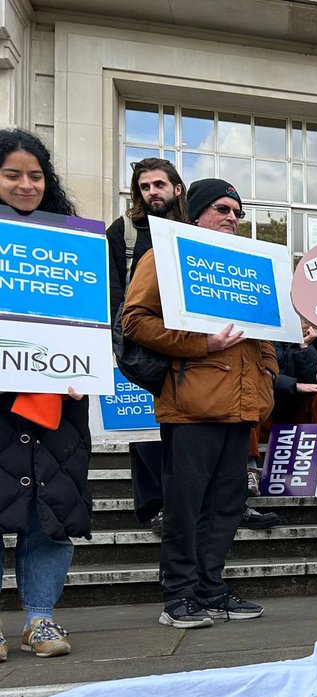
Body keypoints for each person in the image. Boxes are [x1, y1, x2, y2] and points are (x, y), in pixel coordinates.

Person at [122, 178, 277, 628]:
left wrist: (266, 370)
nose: (231, 217)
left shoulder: (249, 266)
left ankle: (211, 588)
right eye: (222, 208)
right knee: (186, 505)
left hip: (242, 405)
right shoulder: (164, 256)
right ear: (196, 214)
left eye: (236, 211)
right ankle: (179, 596)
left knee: (227, 506)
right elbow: (134, 321)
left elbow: (269, 330)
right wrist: (199, 344)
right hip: (191, 405)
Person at [0, 127, 88, 660]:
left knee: (48, 519)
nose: (26, 185)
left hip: (60, 402)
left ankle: (41, 620)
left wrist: (89, 365)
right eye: (12, 175)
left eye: (35, 175)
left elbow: (100, 319)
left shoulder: (74, 243)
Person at [105, 157, 183, 532]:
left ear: (176, 188)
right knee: (144, 429)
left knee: (182, 427)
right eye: (144, 186)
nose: (151, 191)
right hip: (138, 338)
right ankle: (154, 506)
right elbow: (112, 285)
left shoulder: (191, 228)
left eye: (158, 185)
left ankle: (184, 501)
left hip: (184, 338)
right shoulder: (124, 230)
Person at [246, 320, 317, 496]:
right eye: (299, 317)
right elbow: (260, 373)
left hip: (296, 415)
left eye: (307, 318)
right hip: (266, 416)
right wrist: (295, 385)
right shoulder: (266, 333)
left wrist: (304, 347)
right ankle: (250, 470)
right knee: (251, 393)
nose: (304, 322)